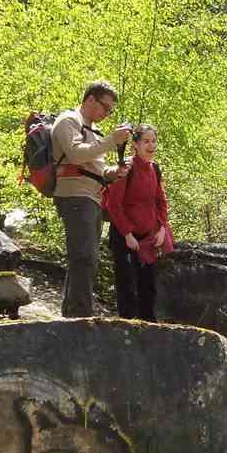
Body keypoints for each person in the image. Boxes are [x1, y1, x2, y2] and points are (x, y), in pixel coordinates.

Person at [52, 80, 132, 318]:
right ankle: (81, 316)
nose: (107, 114)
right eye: (105, 107)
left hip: (92, 197)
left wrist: (113, 172)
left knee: (85, 258)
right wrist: (111, 141)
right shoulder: (68, 121)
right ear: (89, 99)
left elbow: (95, 169)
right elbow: (75, 155)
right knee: (85, 257)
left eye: (110, 110)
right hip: (75, 195)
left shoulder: (91, 128)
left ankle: (73, 314)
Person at [105, 124, 171, 322]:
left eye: (153, 141)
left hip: (148, 238)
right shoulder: (126, 168)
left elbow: (160, 201)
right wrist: (127, 234)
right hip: (124, 237)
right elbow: (113, 204)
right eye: (146, 141)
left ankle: (149, 332)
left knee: (148, 287)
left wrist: (162, 228)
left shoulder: (155, 168)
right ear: (135, 144)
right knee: (127, 288)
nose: (151, 146)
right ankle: (127, 331)